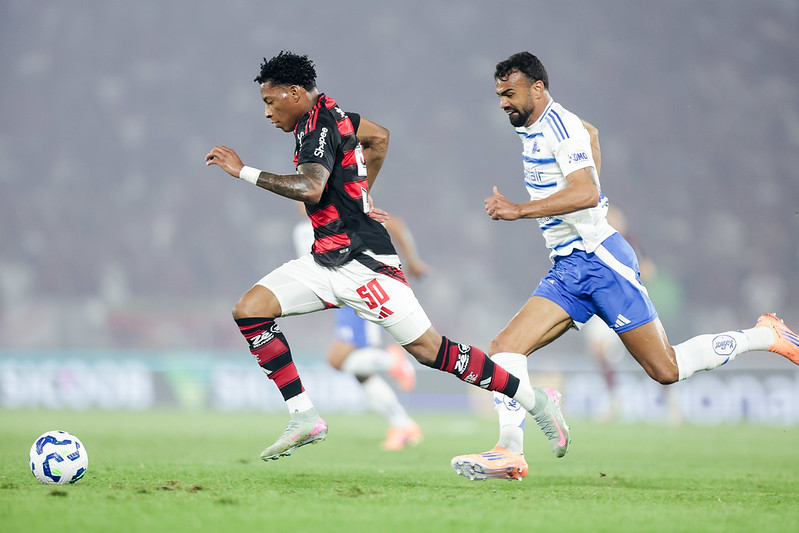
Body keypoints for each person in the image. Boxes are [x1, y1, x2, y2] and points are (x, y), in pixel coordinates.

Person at [450, 51, 799, 481]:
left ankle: (766, 335)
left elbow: (586, 194)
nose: (503, 102)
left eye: (510, 93)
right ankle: (509, 450)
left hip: (601, 262)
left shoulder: (561, 129)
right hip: (567, 266)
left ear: (537, 88)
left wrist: (521, 210)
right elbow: (592, 133)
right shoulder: (541, 125)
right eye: (500, 94)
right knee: (505, 348)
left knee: (665, 370)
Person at [204, 51, 564, 465]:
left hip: (364, 262)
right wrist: (361, 193)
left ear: (294, 92)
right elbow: (379, 138)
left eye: (270, 102)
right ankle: (304, 416)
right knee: (250, 310)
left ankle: (535, 400)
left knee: (431, 351)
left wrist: (242, 171)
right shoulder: (335, 115)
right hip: (325, 261)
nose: (267, 113)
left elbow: (311, 188)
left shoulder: (317, 125)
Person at [293, 201, 428, 450]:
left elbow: (395, 224)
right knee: (361, 374)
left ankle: (392, 360)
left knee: (338, 360)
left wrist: (412, 260)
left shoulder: (342, 214)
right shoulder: (303, 230)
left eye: (303, 194)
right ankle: (403, 425)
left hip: (360, 292)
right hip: (341, 301)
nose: (299, 202)